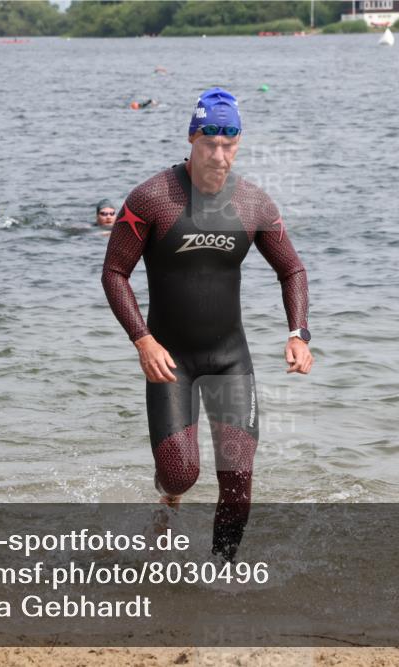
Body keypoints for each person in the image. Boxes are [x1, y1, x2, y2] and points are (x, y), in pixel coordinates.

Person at [102, 87, 313, 562]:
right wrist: (143, 340)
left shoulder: (254, 204)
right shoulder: (152, 199)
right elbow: (114, 272)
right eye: (209, 143)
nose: (219, 155)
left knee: (238, 479)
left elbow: (292, 270)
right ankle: (168, 498)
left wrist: (298, 333)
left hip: (229, 359)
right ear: (192, 139)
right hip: (169, 359)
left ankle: (222, 573)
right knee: (181, 473)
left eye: (229, 144)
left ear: (238, 143)